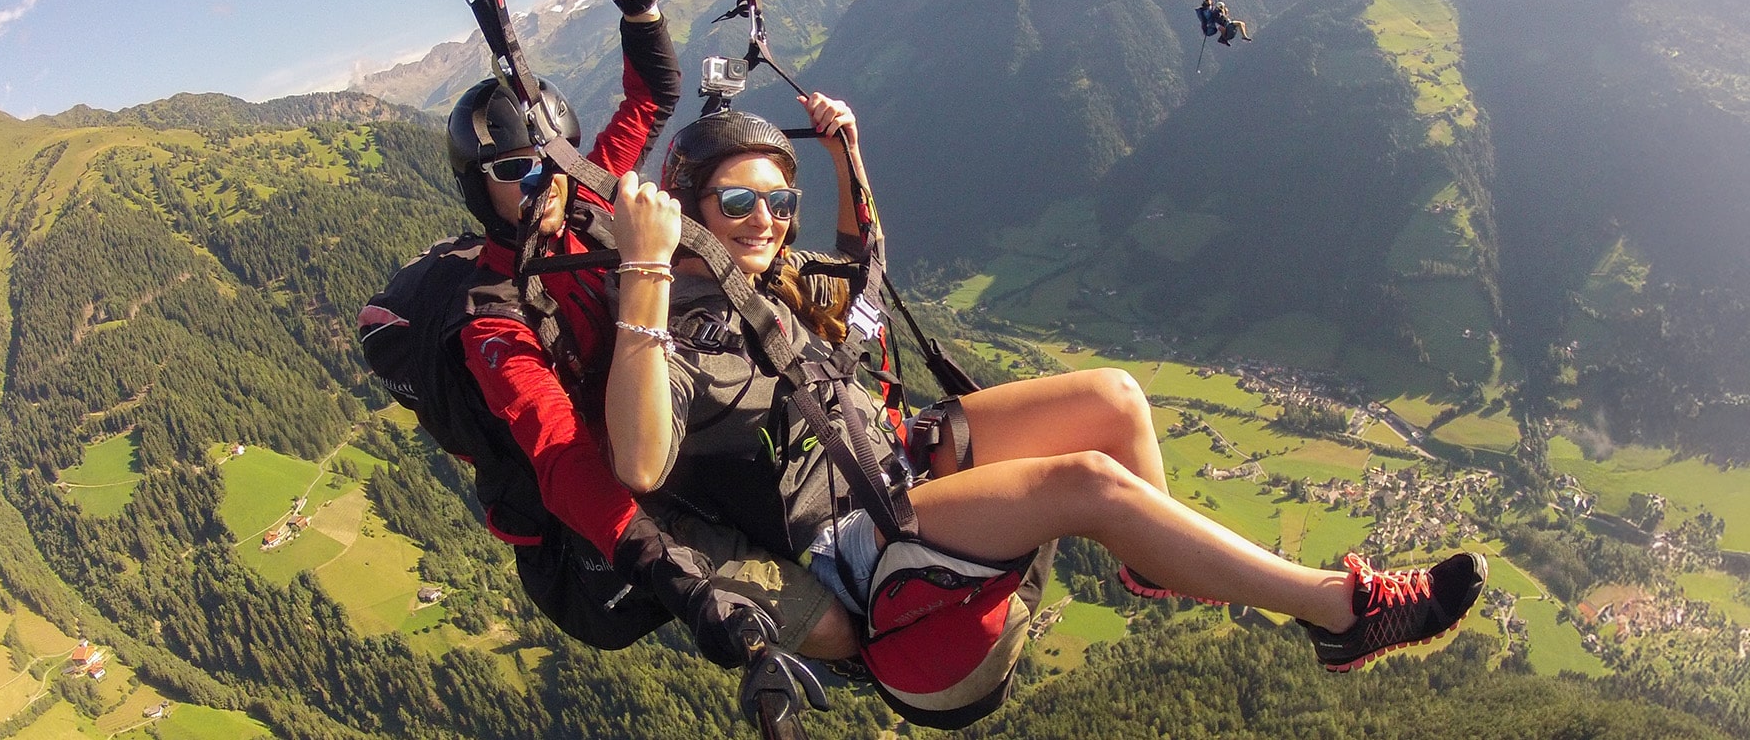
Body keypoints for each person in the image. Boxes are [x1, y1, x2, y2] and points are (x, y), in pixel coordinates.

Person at [604, 99, 1485, 675]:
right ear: (688, 211)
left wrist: (848, 153)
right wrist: (645, 264)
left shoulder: (775, 276)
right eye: (738, 204)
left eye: (779, 202)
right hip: (855, 537)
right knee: (1088, 484)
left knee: (1117, 400)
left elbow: (867, 282)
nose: (766, 220)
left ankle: (1154, 558)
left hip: (891, 457)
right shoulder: (678, 321)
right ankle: (1341, 612)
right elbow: (640, 462)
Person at [443, 0, 846, 667]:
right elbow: (562, 455)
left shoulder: (592, 202)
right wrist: (673, 575)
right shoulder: (496, 315)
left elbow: (651, 98)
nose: (543, 181)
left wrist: (640, 2)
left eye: (555, 155)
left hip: (680, 421)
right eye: (514, 170)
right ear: (478, 186)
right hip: (623, 504)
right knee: (837, 631)